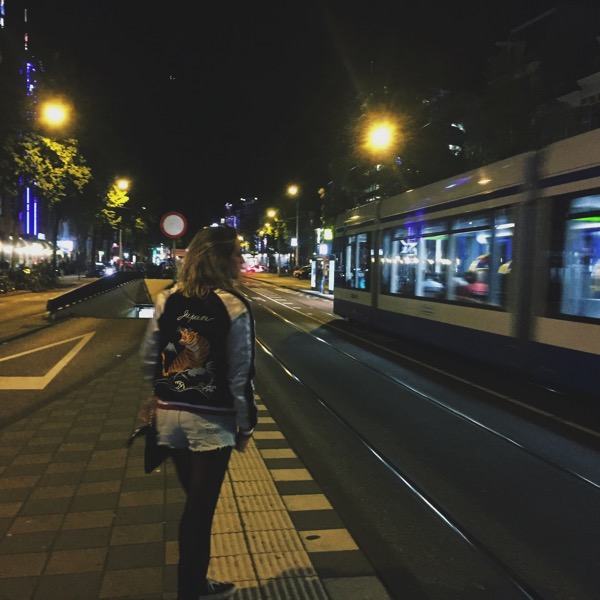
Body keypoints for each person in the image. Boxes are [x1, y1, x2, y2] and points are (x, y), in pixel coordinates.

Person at [140, 224, 257, 600]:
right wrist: (246, 426)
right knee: (200, 511)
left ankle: (194, 584)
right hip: (211, 421)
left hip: (169, 418)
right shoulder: (233, 305)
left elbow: (149, 356)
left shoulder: (167, 298)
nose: (241, 260)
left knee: (194, 502)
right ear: (220, 259)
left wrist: (157, 393)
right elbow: (240, 374)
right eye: (236, 253)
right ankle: (190, 589)